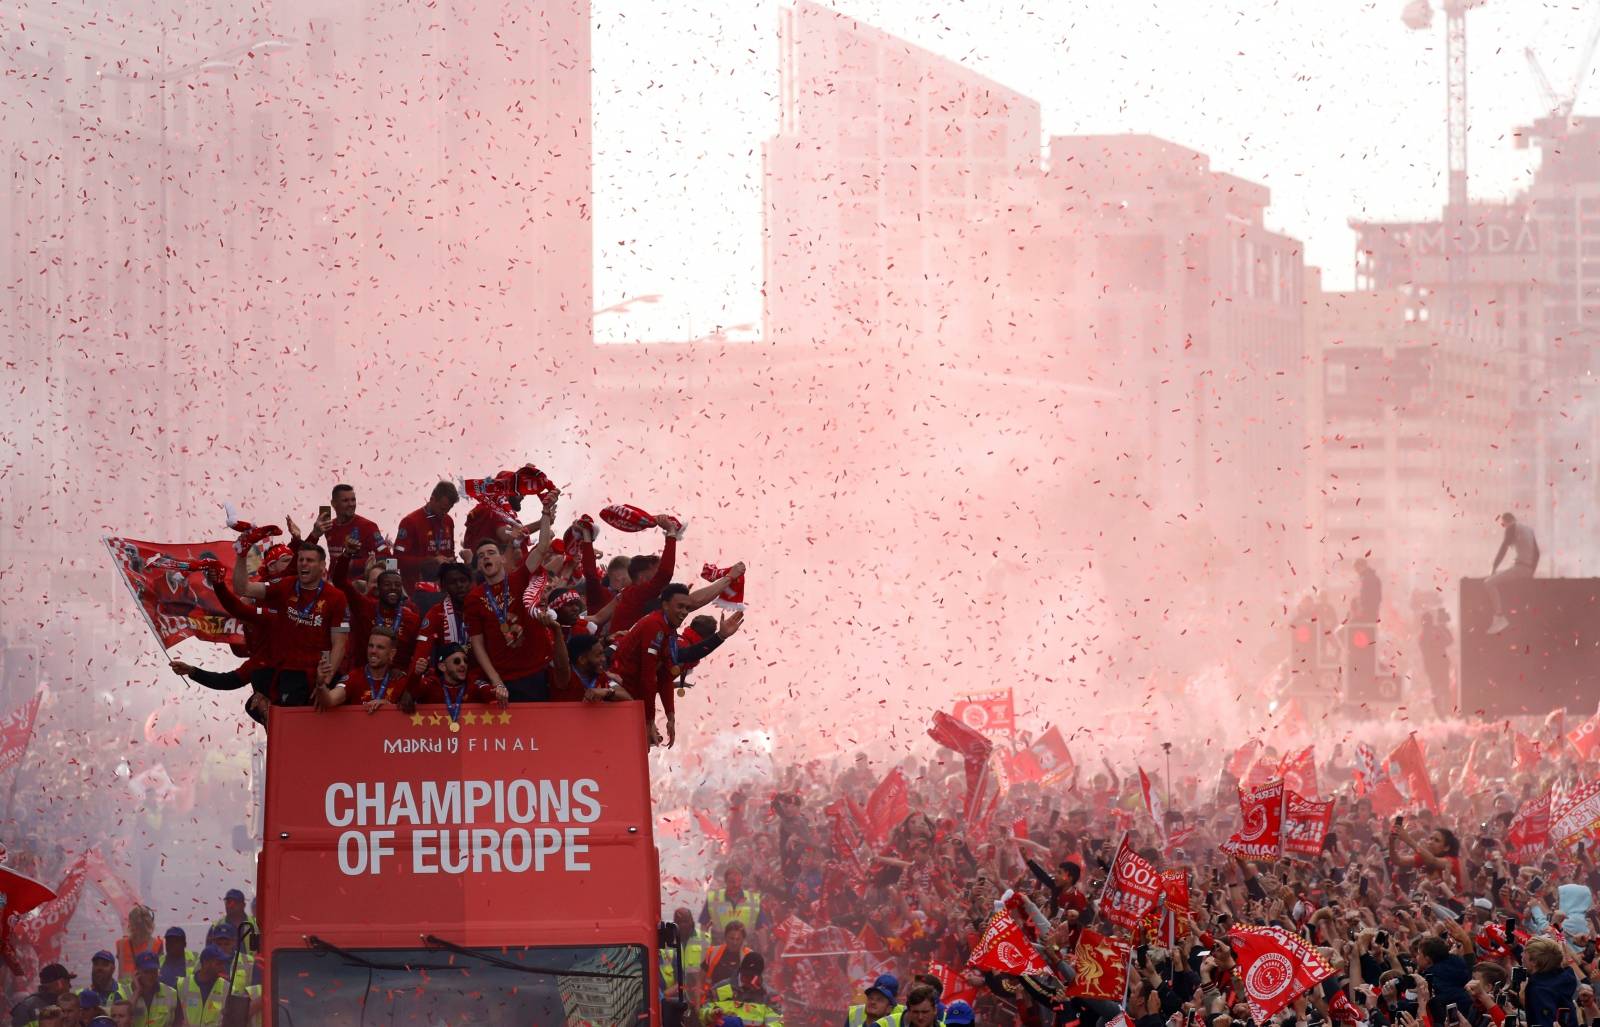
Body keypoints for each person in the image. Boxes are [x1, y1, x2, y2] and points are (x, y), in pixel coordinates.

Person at [613, 580, 744, 747]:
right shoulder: (655, 626)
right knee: (630, 750)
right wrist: (649, 722)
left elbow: (664, 676)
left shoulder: (670, 630)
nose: (684, 612)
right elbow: (649, 676)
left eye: (687, 608)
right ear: (665, 605)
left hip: (631, 696)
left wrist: (670, 717)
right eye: (680, 606)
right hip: (620, 694)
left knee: (639, 750)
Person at [230, 542, 350, 709]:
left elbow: (340, 643)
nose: (304, 564)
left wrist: (326, 681)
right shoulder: (285, 585)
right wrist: (242, 555)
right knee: (293, 728)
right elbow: (243, 588)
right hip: (291, 673)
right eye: (301, 560)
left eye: (310, 560)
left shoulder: (337, 597)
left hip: (322, 672)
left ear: (322, 565)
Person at [464, 529, 558, 703]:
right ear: (478, 565)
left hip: (536, 671)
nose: (486, 557)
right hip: (505, 679)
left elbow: (542, 547)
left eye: (491, 553)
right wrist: (496, 682)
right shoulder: (473, 598)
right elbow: (477, 644)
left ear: (502, 558)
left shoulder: (520, 578)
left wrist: (545, 511)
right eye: (481, 556)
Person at [331, 549, 419, 675]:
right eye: (387, 584)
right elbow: (339, 581)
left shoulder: (412, 617)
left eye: (397, 584)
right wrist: (346, 555)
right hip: (363, 677)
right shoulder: (364, 607)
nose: (393, 588)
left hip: (397, 682)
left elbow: (417, 654)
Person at [394, 481, 460, 595]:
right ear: (432, 499)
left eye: (448, 509)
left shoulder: (448, 521)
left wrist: (451, 561)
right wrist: (432, 561)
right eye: (442, 508)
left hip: (443, 589)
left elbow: (450, 551)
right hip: (416, 592)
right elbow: (397, 560)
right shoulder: (410, 522)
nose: (444, 513)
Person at [328, 628, 412, 712]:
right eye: (371, 646)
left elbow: (414, 707)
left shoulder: (400, 679)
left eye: (380, 647)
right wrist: (321, 684)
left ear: (392, 653)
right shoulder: (355, 676)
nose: (373, 651)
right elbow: (329, 700)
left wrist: (389, 707)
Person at [412, 563, 474, 676]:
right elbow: (422, 647)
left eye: (463, 580)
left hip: (479, 673)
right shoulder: (436, 613)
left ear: (470, 583)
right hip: (448, 676)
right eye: (453, 582)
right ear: (443, 587)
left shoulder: (481, 607)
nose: (459, 585)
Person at [308, 485, 384, 571]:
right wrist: (314, 534)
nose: (351, 504)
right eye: (345, 501)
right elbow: (304, 554)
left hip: (358, 583)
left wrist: (354, 564)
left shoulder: (369, 526)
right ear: (333, 503)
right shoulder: (329, 527)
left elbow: (389, 559)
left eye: (353, 500)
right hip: (334, 582)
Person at [1487, 512, 1540, 634]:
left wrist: (1493, 568)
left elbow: (1503, 548)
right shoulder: (1529, 530)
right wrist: (1531, 573)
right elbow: (1537, 554)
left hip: (1520, 568)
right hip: (1527, 569)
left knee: (1488, 583)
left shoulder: (1511, 527)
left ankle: (1499, 617)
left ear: (1505, 521)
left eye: (1503, 524)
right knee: (1501, 575)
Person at [702, 952, 782, 1027]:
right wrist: (711, 1014)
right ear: (740, 970)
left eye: (751, 976)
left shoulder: (769, 996)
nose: (747, 978)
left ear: (759, 975)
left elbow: (776, 1023)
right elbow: (702, 1013)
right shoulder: (722, 988)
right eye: (745, 974)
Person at [174, 947, 234, 1027]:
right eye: (218, 964)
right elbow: (174, 1018)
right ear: (206, 963)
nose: (222, 968)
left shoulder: (227, 988)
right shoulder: (181, 985)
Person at [700, 921, 752, 1004]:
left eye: (738, 939)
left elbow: (753, 985)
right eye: (731, 938)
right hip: (713, 1001)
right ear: (725, 937)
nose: (734, 942)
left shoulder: (750, 956)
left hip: (739, 1003)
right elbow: (700, 980)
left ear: (743, 939)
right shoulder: (712, 952)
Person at [11, 964, 76, 1026]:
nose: (70, 986)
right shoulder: (26, 1008)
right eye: (67, 982)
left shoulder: (68, 1005)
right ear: (59, 983)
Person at [124, 953, 179, 1027]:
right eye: (146, 972)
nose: (150, 976)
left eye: (153, 971)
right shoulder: (124, 992)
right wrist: (137, 992)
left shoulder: (171, 993)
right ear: (136, 972)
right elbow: (123, 1019)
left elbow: (177, 1022)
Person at [114, 907, 162, 984]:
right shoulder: (120, 944)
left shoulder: (158, 944)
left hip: (147, 991)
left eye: (141, 925)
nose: (139, 929)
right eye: (138, 925)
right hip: (125, 992)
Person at [211, 888, 258, 956]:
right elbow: (209, 953)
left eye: (235, 902)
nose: (231, 906)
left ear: (243, 905)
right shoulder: (216, 926)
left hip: (250, 965)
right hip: (225, 965)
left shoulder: (255, 924)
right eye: (228, 902)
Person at [1351, 558, 1381, 623]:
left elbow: (1366, 597)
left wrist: (1361, 607)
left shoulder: (1367, 579)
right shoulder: (1373, 577)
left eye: (1357, 569)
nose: (1357, 572)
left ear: (1361, 567)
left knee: (1350, 627)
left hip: (1367, 614)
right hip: (1372, 613)